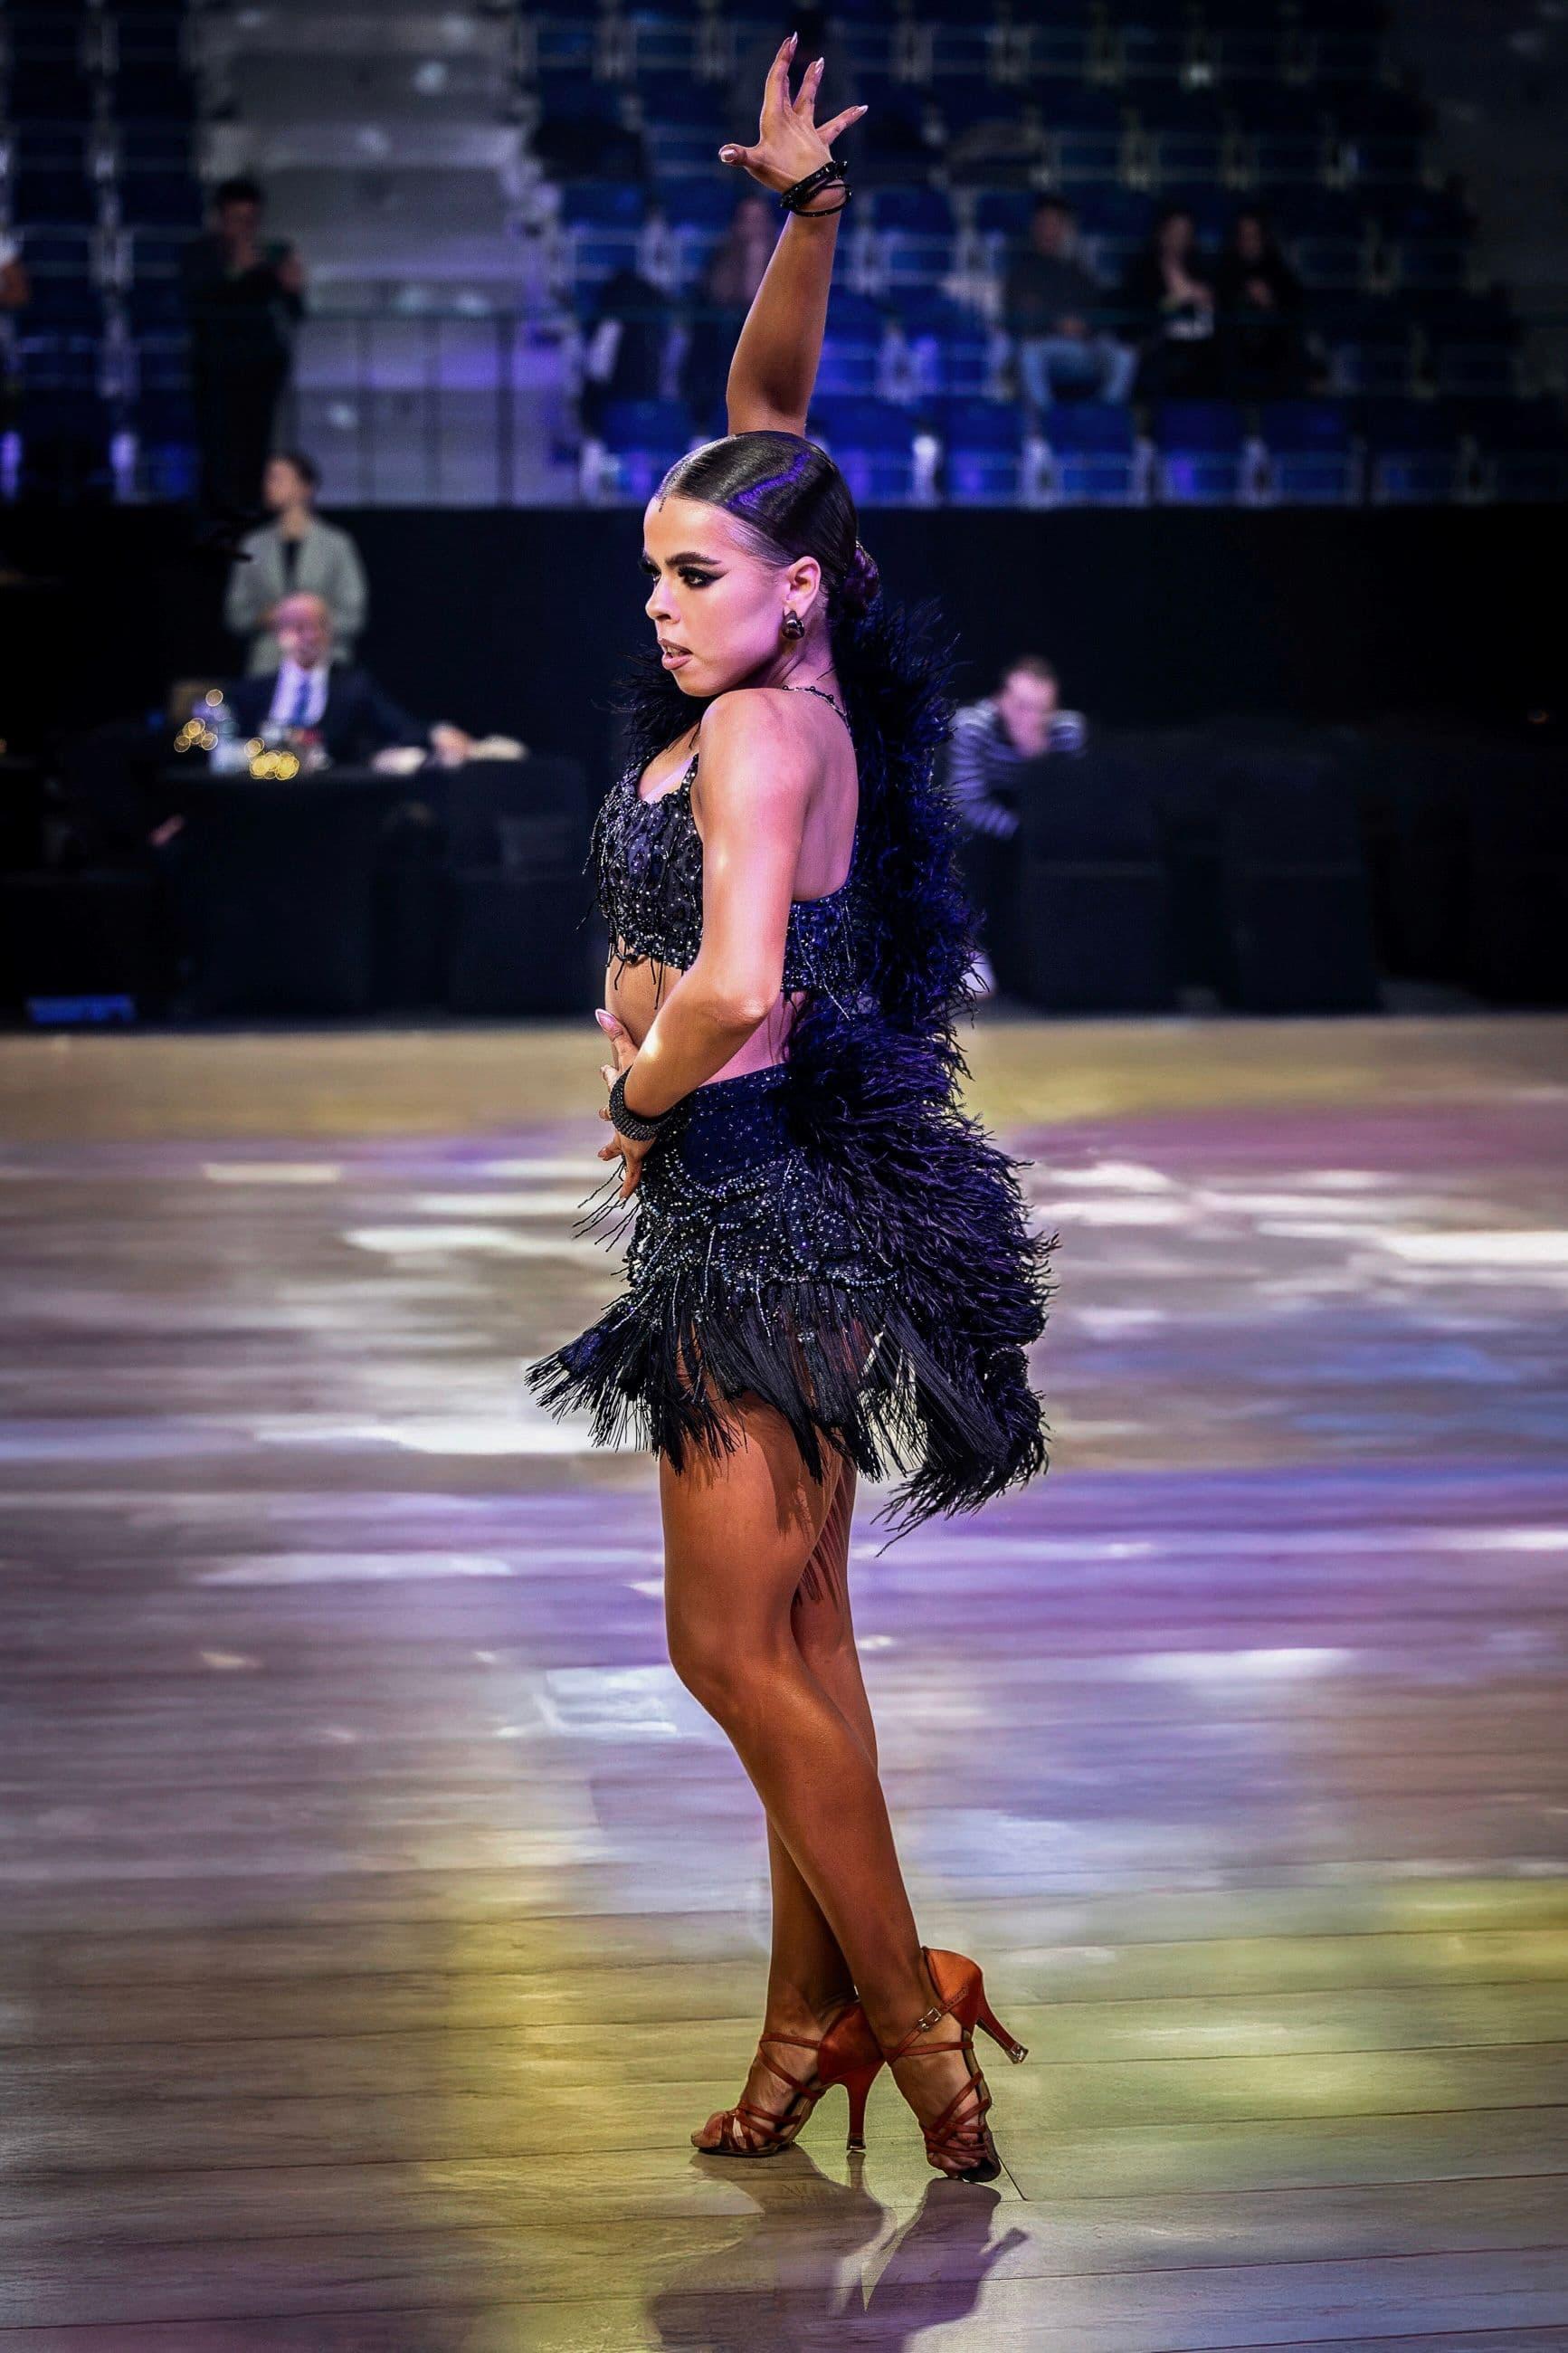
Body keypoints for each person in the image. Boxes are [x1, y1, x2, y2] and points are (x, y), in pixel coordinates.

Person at [526, 35, 1051, 2186]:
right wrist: (802, 221)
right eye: (650, 569)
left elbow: (737, 984)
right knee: (802, 1652)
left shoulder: (754, 738)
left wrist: (632, 1082)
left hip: (749, 1217)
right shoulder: (789, 663)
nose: (662, 605)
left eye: (694, 576)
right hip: (781, 1207)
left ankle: (911, 2003)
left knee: (722, 1646)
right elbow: (775, 436)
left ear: (796, 588)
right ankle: (809, 2026)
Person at [946, 655, 1087, 996]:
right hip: (984, 823)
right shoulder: (973, 727)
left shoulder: (1066, 731)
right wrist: (1021, 831)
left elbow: (1073, 801)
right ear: (1001, 699)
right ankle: (969, 947)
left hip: (1039, 819)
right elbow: (965, 802)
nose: (1032, 718)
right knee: (965, 846)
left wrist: (1039, 756)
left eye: (1042, 709)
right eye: (1022, 707)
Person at [181, 176, 305, 529]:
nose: (244, 228)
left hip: (261, 367)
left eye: (251, 219)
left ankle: (252, 522)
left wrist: (291, 287)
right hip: (215, 369)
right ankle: (216, 524)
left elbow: (295, 313)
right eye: (237, 218)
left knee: (256, 447)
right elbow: (196, 303)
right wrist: (238, 271)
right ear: (220, 218)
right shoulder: (200, 255)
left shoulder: (272, 256)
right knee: (219, 448)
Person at [223, 592, 471, 768]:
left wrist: (438, 733)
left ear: (329, 632)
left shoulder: (353, 686)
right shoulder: (250, 692)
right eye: (298, 627)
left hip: (330, 796)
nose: (308, 636)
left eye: (316, 626)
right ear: (279, 634)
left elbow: (399, 726)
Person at [223, 450, 368, 674]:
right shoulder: (254, 544)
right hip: (268, 666)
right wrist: (270, 616)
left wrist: (310, 620)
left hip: (326, 665)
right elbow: (236, 614)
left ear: (305, 487)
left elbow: (354, 614)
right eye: (268, 477)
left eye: (278, 477)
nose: (269, 485)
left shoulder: (336, 544)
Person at [1004, 196, 1136, 410]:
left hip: (1084, 348)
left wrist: (1085, 326)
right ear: (1034, 227)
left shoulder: (1078, 272)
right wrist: (1057, 323)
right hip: (1046, 347)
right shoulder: (1020, 275)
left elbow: (1099, 314)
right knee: (1028, 353)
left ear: (1064, 228)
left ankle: (1102, 421)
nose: (1049, 231)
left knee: (1124, 355)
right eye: (1044, 224)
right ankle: (1046, 425)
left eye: (1055, 224)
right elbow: (1017, 320)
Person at [679, 193, 776, 430]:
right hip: (723, 352)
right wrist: (751, 258)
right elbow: (724, 297)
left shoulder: (783, 258)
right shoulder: (722, 256)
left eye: (759, 220)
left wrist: (758, 258)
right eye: (747, 219)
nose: (753, 227)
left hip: (772, 350)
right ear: (737, 224)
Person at [1121, 205, 1218, 399]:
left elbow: (1213, 304)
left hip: (1201, 341)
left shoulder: (1202, 268)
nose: (1179, 238)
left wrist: (1204, 298)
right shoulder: (1144, 268)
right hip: (1158, 343)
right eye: (1174, 231)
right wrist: (1175, 300)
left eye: (1185, 232)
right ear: (1161, 233)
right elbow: (1142, 309)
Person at [1215, 207, 1307, 400]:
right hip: (1233, 351)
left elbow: (1296, 308)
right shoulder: (1225, 271)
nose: (1249, 242)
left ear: (1264, 238)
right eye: (1244, 236)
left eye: (1253, 236)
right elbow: (1217, 306)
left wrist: (1270, 302)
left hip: (1272, 350)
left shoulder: (1279, 272)